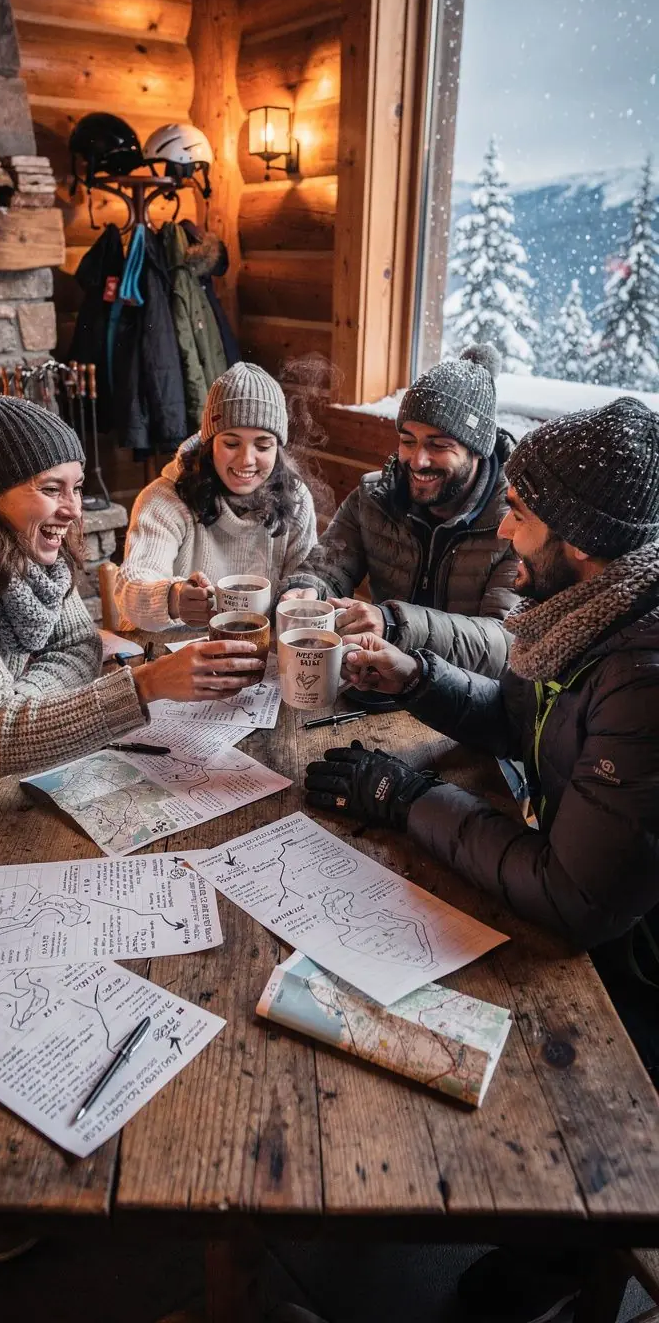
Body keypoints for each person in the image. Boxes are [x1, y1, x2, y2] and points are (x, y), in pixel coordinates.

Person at [304, 396, 659, 1323]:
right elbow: (533, 727)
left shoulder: (645, 668)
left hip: (640, 972)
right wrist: (420, 680)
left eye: (522, 514)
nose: (505, 527)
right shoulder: (594, 610)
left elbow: (576, 896)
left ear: (579, 540)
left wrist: (409, 796)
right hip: (597, 892)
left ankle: (558, 1245)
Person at [0, 396, 264, 946]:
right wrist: (147, 684)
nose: (73, 510)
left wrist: (14, 698)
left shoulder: (18, 542)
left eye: (76, 485)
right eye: (49, 489)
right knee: (3, 931)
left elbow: (75, 646)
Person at [280, 343, 518, 675]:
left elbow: (504, 643)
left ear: (477, 450)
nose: (418, 460)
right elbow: (328, 567)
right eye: (408, 441)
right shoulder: (375, 496)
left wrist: (394, 624)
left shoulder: (516, 520)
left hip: (471, 708)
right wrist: (304, 590)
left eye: (439, 445)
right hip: (380, 683)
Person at [113, 361, 317, 630]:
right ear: (209, 445)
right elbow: (133, 581)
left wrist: (304, 591)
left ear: (277, 449)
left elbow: (306, 573)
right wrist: (172, 598)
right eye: (231, 443)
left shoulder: (296, 499)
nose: (246, 460)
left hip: (259, 651)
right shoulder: (165, 498)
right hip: (175, 649)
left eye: (263, 445)